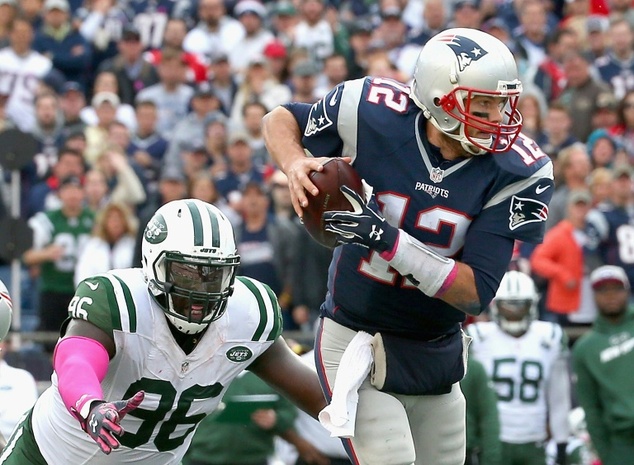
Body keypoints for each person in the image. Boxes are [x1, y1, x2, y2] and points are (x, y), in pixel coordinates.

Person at [262, 27, 554, 465]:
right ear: (440, 100)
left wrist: (384, 237)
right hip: (355, 334)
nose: (500, 117)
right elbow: (279, 118)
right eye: (485, 104)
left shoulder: (516, 170)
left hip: (437, 348)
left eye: (503, 103)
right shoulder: (369, 112)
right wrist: (294, 162)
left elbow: (476, 292)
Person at [0, 198, 327, 464]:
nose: (201, 290)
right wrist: (91, 404)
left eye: (213, 275)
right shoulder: (118, 299)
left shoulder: (249, 314)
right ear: (153, 263)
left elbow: (315, 394)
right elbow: (75, 358)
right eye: (187, 274)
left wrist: (354, 418)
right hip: (48, 455)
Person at [466, 271, 571, 465]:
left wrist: (561, 442)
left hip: (535, 437)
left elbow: (559, 399)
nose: (513, 312)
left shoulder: (550, 337)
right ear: (496, 306)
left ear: (532, 305)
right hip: (492, 439)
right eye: (508, 306)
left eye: (520, 305)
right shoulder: (478, 337)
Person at [571, 265, 634, 465]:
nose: (610, 296)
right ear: (593, 295)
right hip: (621, 443)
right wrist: (607, 455)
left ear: (628, 291)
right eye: (603, 290)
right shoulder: (585, 348)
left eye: (616, 289)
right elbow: (591, 408)